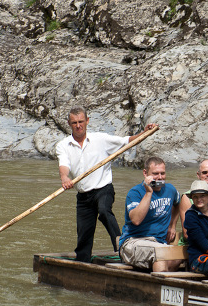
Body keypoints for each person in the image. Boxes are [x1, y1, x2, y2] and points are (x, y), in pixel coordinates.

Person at [55, 106, 157, 262]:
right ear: (69, 123)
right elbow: (64, 165)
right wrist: (64, 178)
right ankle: (82, 262)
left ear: (87, 121)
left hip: (103, 189)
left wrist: (145, 133)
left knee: (104, 211)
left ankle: (122, 246)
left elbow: (126, 141)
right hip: (83, 196)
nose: (78, 125)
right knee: (84, 233)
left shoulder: (100, 139)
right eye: (74, 122)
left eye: (81, 121)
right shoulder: (63, 145)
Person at [118, 156, 182, 272]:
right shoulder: (135, 192)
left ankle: (166, 285)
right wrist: (148, 192)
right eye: (155, 174)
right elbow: (136, 220)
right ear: (145, 173)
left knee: (179, 255)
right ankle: (160, 286)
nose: (160, 177)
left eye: (162, 173)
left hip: (158, 242)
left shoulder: (170, 190)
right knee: (160, 254)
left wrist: (172, 225)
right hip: (133, 242)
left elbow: (178, 203)